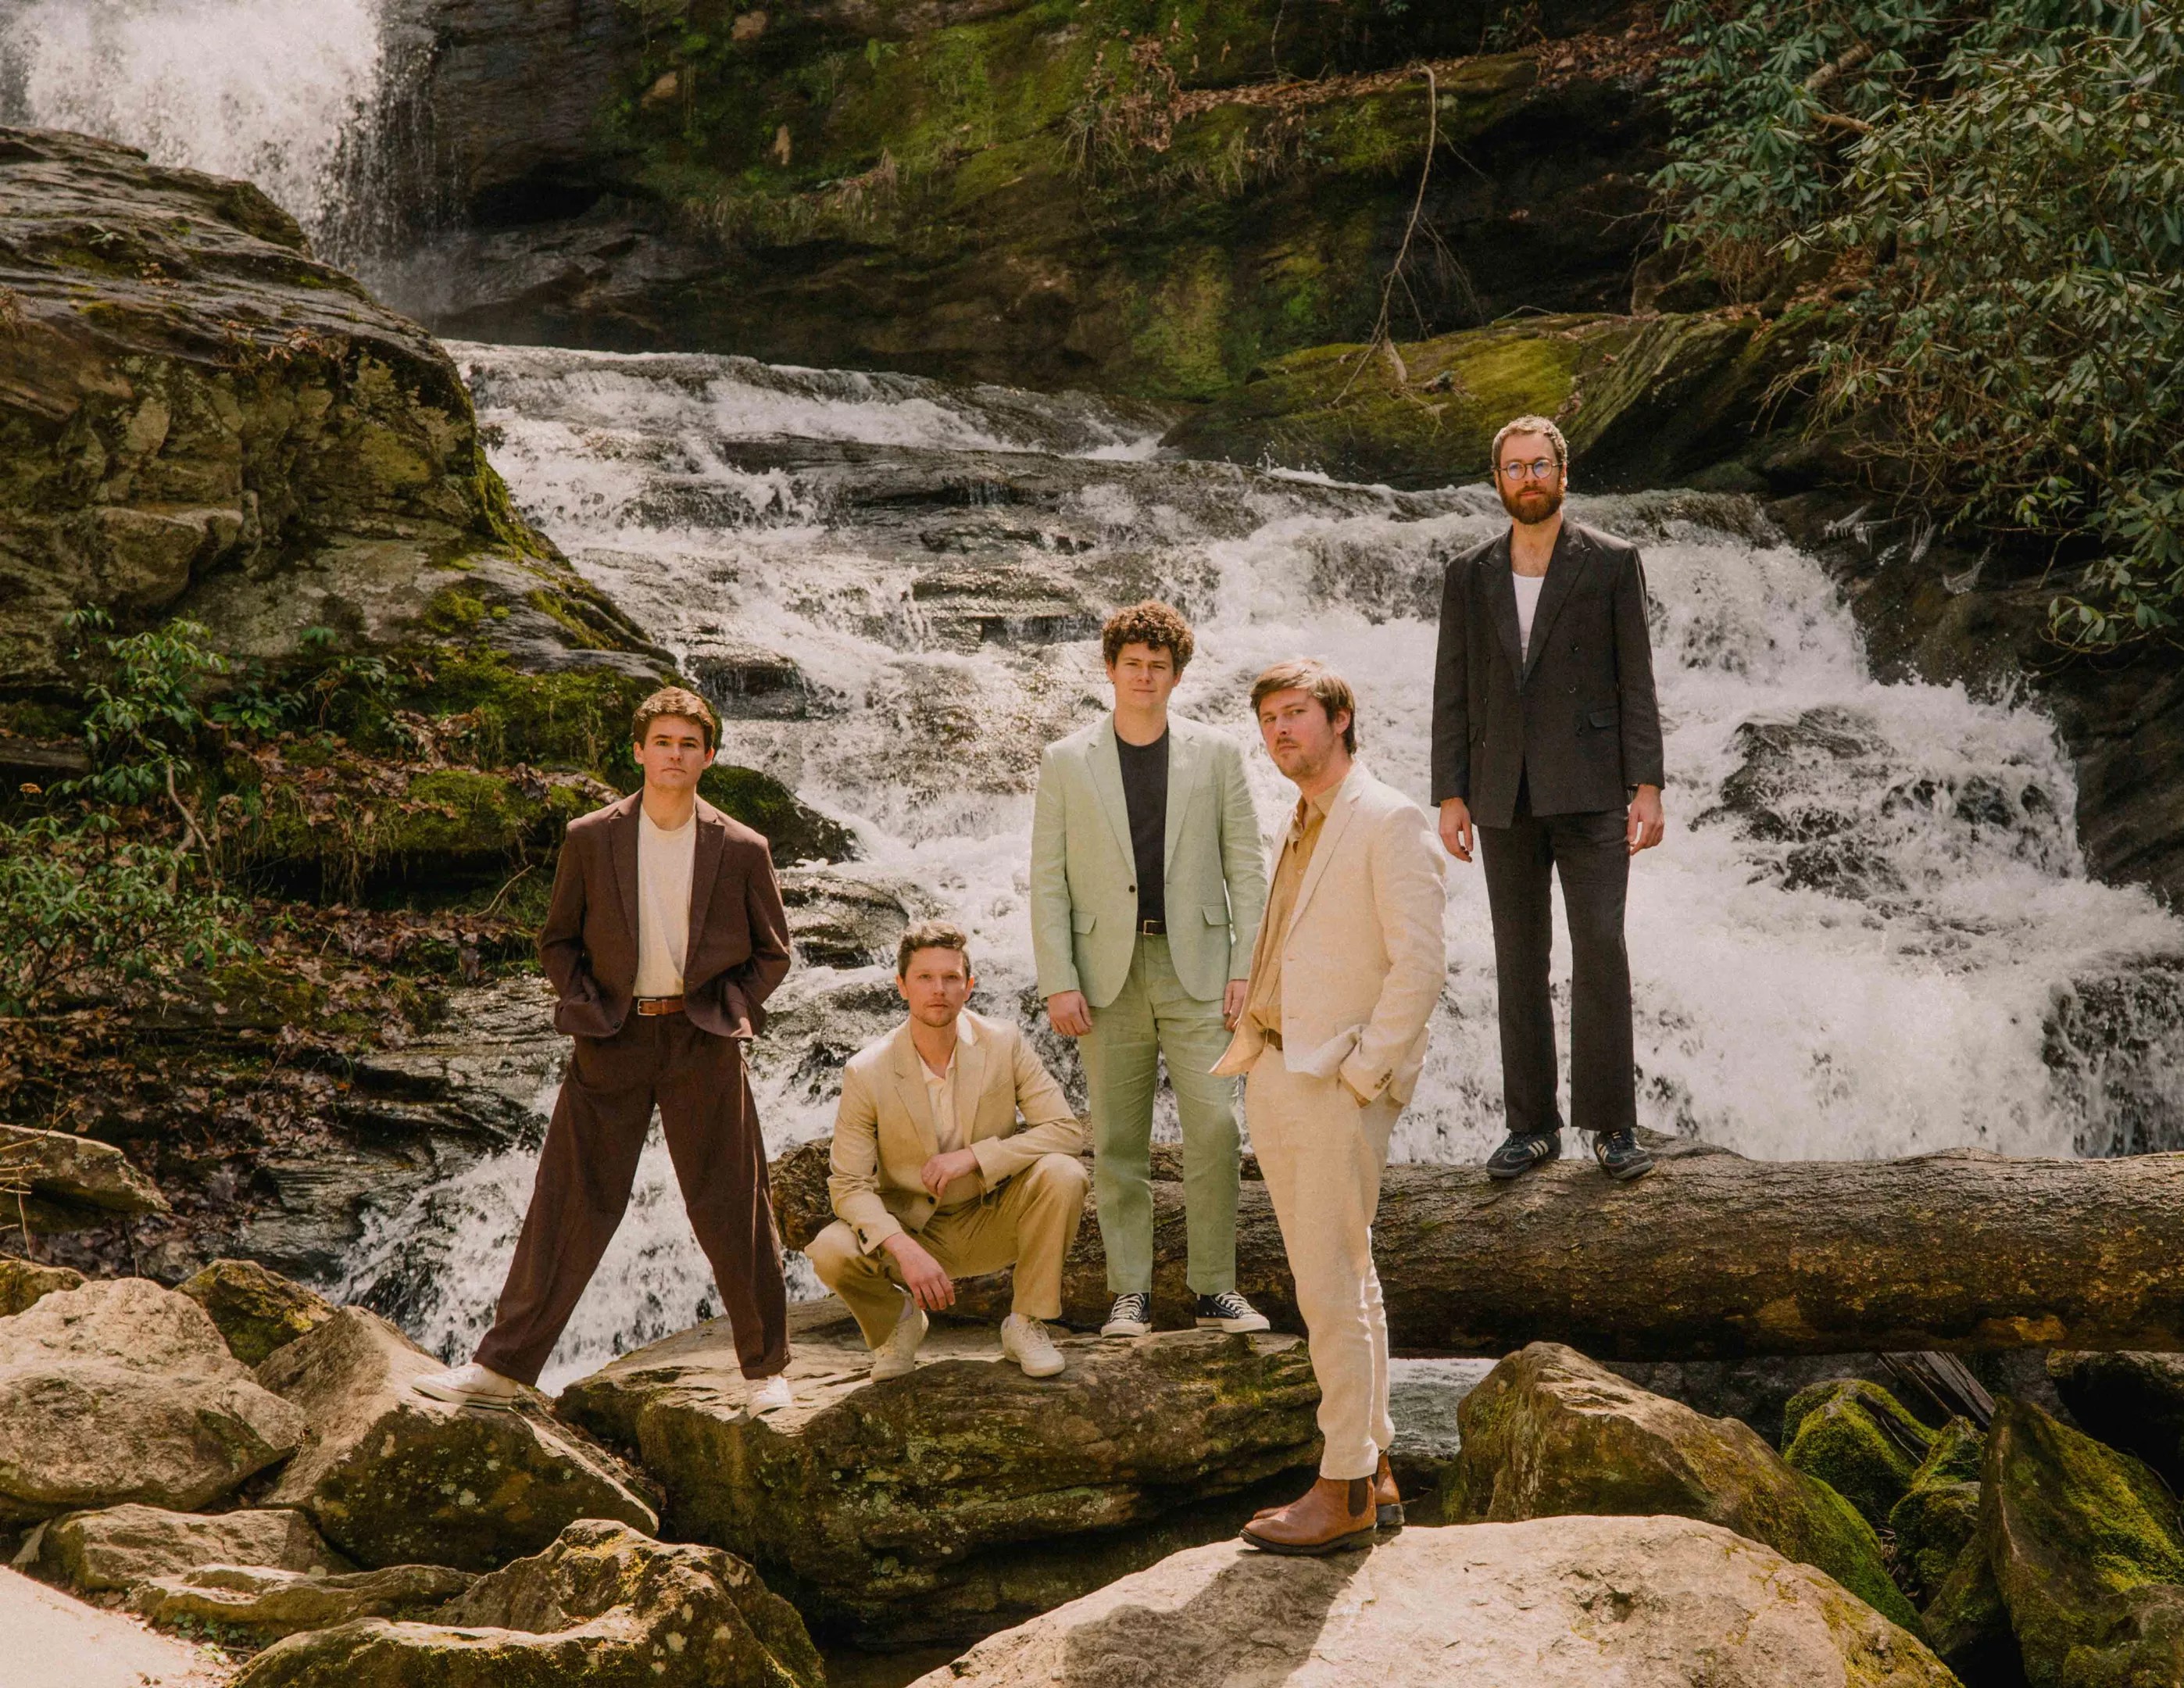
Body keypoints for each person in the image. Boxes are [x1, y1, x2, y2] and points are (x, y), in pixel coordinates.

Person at [414, 686, 797, 1412]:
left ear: (708, 756)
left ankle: (767, 1371)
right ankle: (500, 1368)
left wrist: (730, 1009)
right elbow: (557, 939)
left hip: (702, 1039)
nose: (674, 755)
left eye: (689, 744)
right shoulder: (590, 836)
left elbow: (772, 953)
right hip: (612, 1036)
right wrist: (588, 1005)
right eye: (663, 742)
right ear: (638, 751)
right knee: (572, 1199)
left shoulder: (744, 848)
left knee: (732, 1205)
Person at [1217, 659, 1448, 1556]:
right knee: (1349, 1277)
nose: (1281, 732)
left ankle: (1341, 1485)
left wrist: (1361, 1075)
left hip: (1330, 1083)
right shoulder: (1303, 819)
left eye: (1297, 714)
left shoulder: (1384, 818)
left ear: (1340, 718)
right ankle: (1377, 1468)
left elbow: (1419, 965)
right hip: (1276, 1067)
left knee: (1326, 1286)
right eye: (1269, 720)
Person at [1432, 415, 1666, 1184]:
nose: (1527, 479)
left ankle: (1610, 1125)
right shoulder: (1468, 572)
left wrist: (1648, 785)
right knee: (1517, 958)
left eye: (1539, 466)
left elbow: (1636, 677)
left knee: (1600, 950)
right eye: (1513, 468)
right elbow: (1453, 688)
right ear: (1495, 480)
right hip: (1502, 790)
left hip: (1593, 786)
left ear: (1562, 476)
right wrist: (1451, 792)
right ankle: (1530, 1126)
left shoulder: (1608, 562)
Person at [1029, 601, 1271, 1340]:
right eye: (1131, 664)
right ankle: (1128, 1291)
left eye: (1157, 667)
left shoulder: (1218, 755)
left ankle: (1213, 1289)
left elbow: (1247, 870)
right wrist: (1058, 979)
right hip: (1106, 975)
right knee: (1119, 1143)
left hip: (1196, 968)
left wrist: (1246, 969)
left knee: (1216, 1133)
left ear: (1176, 676)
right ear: (1109, 670)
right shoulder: (1066, 760)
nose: (1143, 676)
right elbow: (1047, 880)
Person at [806, 921, 1089, 1379]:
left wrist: (975, 1157)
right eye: (924, 978)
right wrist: (903, 1247)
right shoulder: (867, 1071)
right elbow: (849, 1185)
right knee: (829, 1250)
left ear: (969, 987)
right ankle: (898, 1324)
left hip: (992, 1215)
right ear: (901, 986)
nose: (939, 990)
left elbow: (1064, 1130)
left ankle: (1026, 1322)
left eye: (951, 977)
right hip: (912, 1233)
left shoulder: (1005, 1042)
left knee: (1063, 1174)